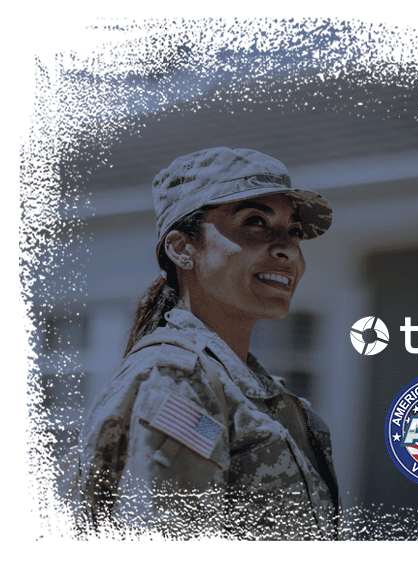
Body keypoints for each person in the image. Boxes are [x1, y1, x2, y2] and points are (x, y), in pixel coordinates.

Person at [77, 147, 340, 539]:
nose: (287, 249)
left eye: (295, 231)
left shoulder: (267, 398)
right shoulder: (178, 380)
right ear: (182, 248)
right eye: (255, 222)